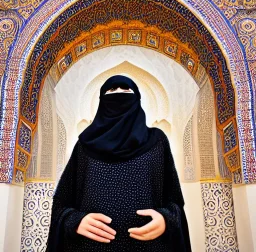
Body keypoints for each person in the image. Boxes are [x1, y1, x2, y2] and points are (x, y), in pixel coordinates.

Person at [46, 75, 191, 252]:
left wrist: (166, 220)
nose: (119, 94)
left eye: (126, 90)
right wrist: (75, 221)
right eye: (112, 90)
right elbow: (61, 202)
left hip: (149, 247)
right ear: (101, 100)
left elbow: (174, 201)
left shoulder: (157, 141)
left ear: (137, 98)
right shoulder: (85, 145)